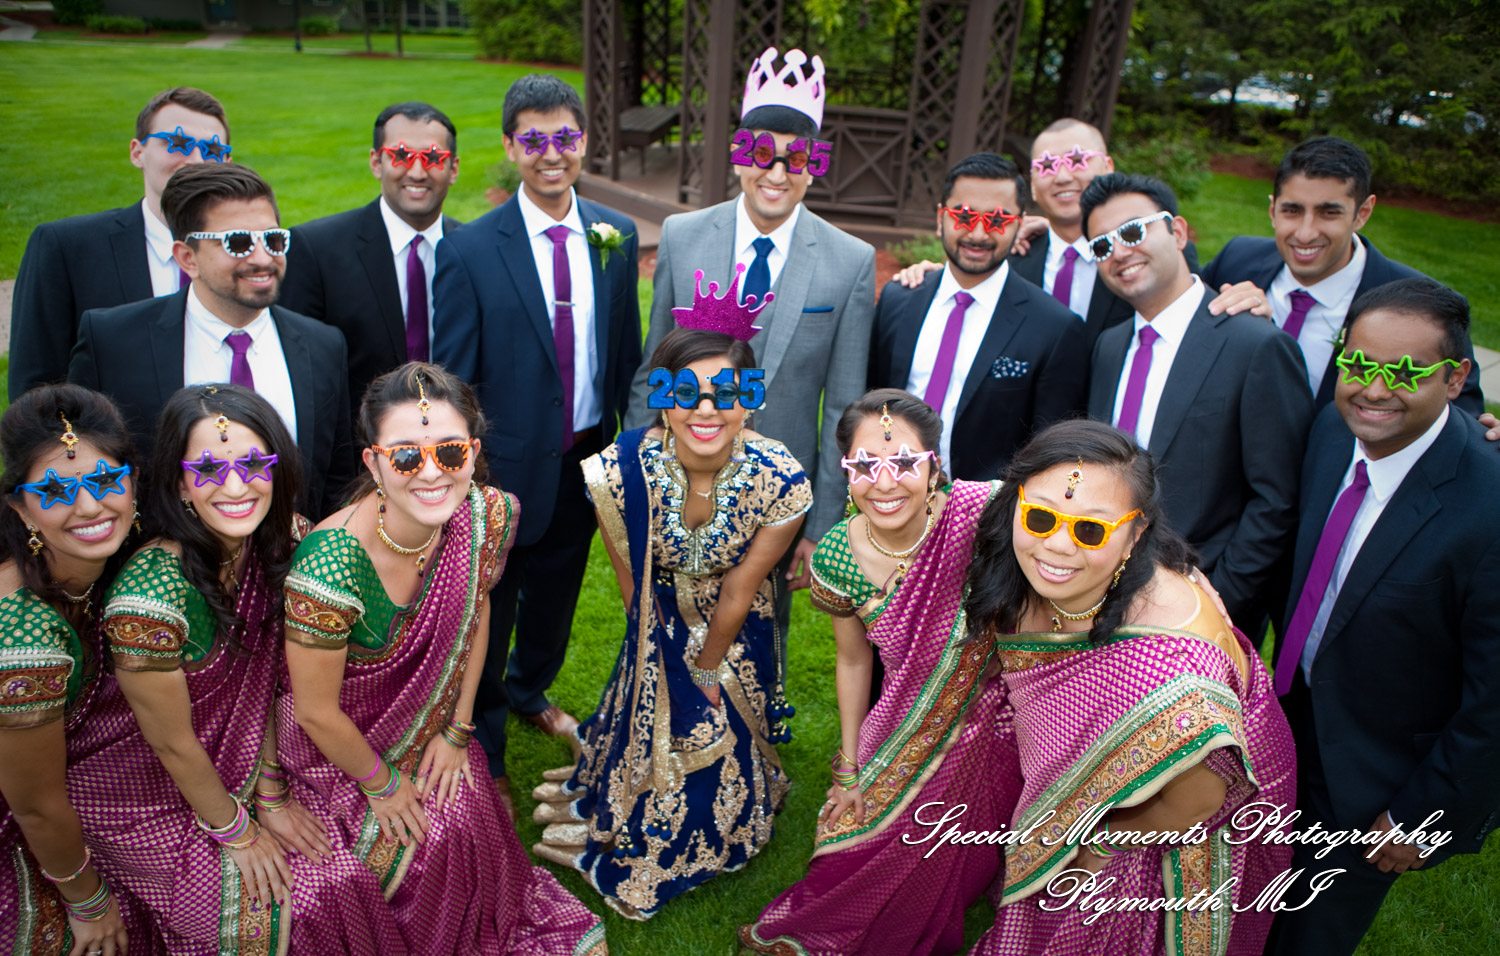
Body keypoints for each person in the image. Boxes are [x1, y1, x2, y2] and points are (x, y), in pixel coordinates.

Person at [278, 362, 607, 955]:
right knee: (392, 854)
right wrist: (381, 787)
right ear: (373, 463)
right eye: (405, 456)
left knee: (464, 796)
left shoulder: (484, 515)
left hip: (428, 725)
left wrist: (458, 729)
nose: (430, 473)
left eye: (449, 453)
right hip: (332, 751)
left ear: (473, 453)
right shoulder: (329, 563)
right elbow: (314, 712)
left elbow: (472, 614)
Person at [964, 418, 1297, 955]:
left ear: (1135, 534)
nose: (1056, 546)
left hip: (1159, 831)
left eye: (1090, 530)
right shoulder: (1016, 538)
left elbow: (1197, 798)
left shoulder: (1176, 673)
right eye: (1041, 517)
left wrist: (1092, 843)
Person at [531, 320, 813, 919]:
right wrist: (658, 657)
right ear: (661, 397)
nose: (706, 411)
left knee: (713, 737)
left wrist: (706, 670)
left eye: (728, 394)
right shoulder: (619, 470)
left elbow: (741, 587)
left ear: (751, 401)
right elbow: (632, 582)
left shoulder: (780, 478)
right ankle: (617, 787)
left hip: (736, 628)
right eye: (684, 393)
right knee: (653, 712)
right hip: (654, 614)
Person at [95, 384, 384, 954]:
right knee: (294, 904)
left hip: (252, 760)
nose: (234, 486)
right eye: (207, 469)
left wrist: (272, 789)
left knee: (345, 870)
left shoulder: (282, 541)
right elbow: (173, 745)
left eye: (253, 462)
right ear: (179, 483)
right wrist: (239, 830)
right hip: (142, 786)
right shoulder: (147, 601)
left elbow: (271, 682)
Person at [1264, 279, 1500, 956]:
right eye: (1359, 363)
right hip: (1288, 720)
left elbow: (1494, 704)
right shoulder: (1333, 431)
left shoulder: (1488, 509)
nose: (1373, 388)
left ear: (1455, 379)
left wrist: (1424, 816)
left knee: (1303, 941)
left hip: (1377, 780)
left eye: (1405, 372)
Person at [433, 75, 643, 801]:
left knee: (555, 598)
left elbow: (624, 352)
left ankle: (530, 689)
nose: (551, 154)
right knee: (491, 601)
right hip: (504, 470)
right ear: (509, 147)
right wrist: (468, 475)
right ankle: (482, 732)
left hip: (587, 456)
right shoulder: (470, 250)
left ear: (583, 142)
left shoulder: (614, 236)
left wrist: (628, 447)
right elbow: (453, 380)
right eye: (534, 140)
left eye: (565, 138)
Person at [743, 389, 1009, 955]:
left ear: (934, 465)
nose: (885, 483)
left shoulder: (981, 518)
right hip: (908, 712)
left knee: (949, 847)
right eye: (865, 465)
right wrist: (850, 762)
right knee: (852, 841)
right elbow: (854, 658)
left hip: (1005, 715)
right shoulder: (838, 554)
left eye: (905, 462)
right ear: (846, 471)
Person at [626, 46, 877, 623]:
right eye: (759, 153)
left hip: (778, 492)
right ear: (738, 156)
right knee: (664, 615)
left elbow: (843, 401)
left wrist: (821, 522)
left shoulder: (849, 261)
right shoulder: (683, 236)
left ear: (815, 163)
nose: (776, 172)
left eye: (796, 158)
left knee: (763, 627)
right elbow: (653, 366)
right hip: (680, 471)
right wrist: (642, 474)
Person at [1082, 172, 1312, 627]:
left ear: (1179, 231)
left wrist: (1216, 602)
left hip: (1199, 602)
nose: (1120, 252)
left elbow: (1277, 500)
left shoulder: (1256, 346)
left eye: (1132, 231)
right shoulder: (1108, 347)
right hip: (1099, 596)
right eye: (1102, 246)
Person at [68, 162, 354, 519]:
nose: (263, 258)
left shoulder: (322, 345)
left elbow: (337, 479)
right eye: (238, 243)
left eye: (274, 239)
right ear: (188, 258)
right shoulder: (113, 343)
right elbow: (82, 465)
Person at [1202, 136, 1486, 414]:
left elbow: (1462, 412)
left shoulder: (1425, 306)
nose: (1305, 232)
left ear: (1362, 213)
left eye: (1328, 213)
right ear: (1272, 209)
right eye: (1292, 210)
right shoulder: (1236, 259)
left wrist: (1485, 434)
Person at [0, 385, 138, 956]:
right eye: (55, 490)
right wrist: (88, 902)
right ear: (19, 507)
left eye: (106, 481)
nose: (89, 507)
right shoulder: (21, 634)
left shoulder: (104, 566)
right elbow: (33, 802)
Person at [868, 153, 1088, 480]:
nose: (980, 234)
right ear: (941, 217)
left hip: (984, 515)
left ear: (1018, 223)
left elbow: (1050, 451)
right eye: (964, 215)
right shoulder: (897, 299)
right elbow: (872, 404)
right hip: (886, 491)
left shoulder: (1055, 327)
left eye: (998, 220)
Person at [892, 118, 1203, 348]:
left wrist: (1248, 294)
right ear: (1034, 187)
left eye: (1077, 160)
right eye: (1048, 166)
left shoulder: (1149, 248)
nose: (1063, 176)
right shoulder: (1012, 254)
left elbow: (1197, 306)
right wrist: (935, 276)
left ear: (1108, 168)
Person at [11, 87, 232, 397]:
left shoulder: (252, 252)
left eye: (211, 149)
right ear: (137, 152)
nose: (194, 159)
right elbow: (35, 387)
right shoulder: (66, 247)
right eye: (178, 143)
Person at [280, 102, 464, 418]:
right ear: (376, 162)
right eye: (402, 156)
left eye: (433, 158)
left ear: (454, 169)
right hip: (357, 450)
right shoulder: (317, 250)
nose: (417, 172)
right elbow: (301, 373)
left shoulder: (473, 249)